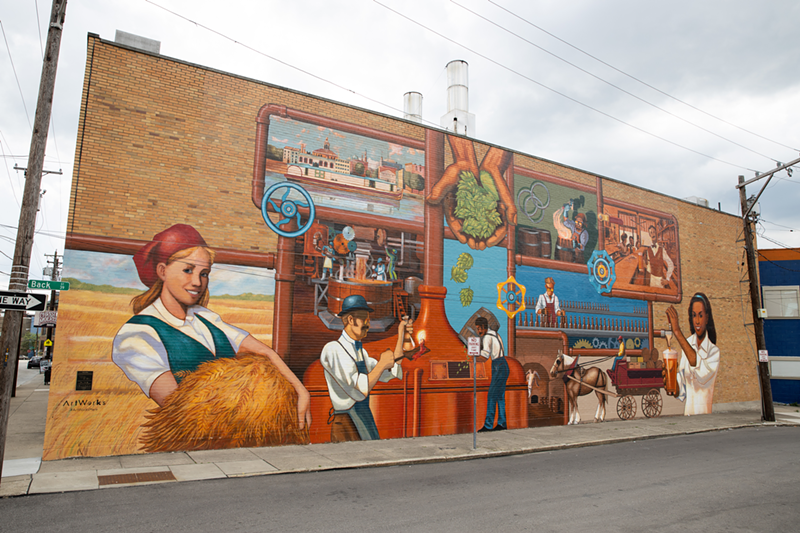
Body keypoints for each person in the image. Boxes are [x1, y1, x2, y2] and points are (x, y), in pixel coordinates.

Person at [112, 224, 311, 429]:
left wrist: (300, 390)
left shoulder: (206, 318)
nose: (197, 282)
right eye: (188, 270)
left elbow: (265, 353)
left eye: (204, 273)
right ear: (162, 271)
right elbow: (182, 408)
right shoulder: (138, 334)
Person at [320, 294, 411, 442]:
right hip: (347, 423)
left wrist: (401, 334)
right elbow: (359, 389)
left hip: (364, 418)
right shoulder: (333, 350)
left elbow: (389, 373)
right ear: (350, 320)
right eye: (364, 319)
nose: (368, 324)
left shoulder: (361, 352)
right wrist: (382, 363)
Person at [664, 292, 720, 416]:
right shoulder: (688, 344)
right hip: (688, 417)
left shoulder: (714, 351)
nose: (697, 321)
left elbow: (700, 372)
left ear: (707, 317)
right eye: (694, 316)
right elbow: (682, 390)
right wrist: (671, 383)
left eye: (701, 315)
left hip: (705, 416)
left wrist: (677, 331)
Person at [476, 317, 508, 432]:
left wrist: (473, 357)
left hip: (497, 366)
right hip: (504, 364)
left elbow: (484, 357)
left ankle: (488, 425)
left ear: (483, 327)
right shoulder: (495, 334)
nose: (478, 332)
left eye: (479, 329)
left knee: (491, 396)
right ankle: (502, 423)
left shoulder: (487, 337)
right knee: (500, 396)